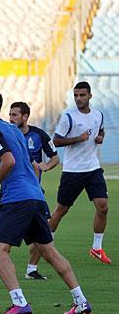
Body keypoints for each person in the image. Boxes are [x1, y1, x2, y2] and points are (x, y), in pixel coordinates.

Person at [0, 88, 91, 314]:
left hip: (17, 198)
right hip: (35, 196)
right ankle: (81, 301)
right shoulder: (11, 129)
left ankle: (19, 303)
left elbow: (8, 160)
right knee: (49, 251)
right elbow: (17, 157)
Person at [50, 81, 110, 264]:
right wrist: (78, 138)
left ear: (90, 96)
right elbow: (56, 141)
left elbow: (101, 131)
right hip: (73, 171)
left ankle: (97, 248)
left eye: (82, 95)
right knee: (61, 210)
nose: (78, 98)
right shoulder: (69, 117)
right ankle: (46, 244)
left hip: (93, 168)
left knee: (103, 207)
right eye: (76, 95)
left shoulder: (98, 115)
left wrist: (100, 138)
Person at [8, 101, 59, 280]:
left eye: (15, 115)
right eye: (10, 114)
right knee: (7, 233)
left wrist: (46, 166)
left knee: (43, 232)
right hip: (14, 192)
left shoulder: (39, 135)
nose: (11, 118)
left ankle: (31, 269)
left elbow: (55, 157)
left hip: (34, 192)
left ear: (25, 117)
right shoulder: (7, 134)